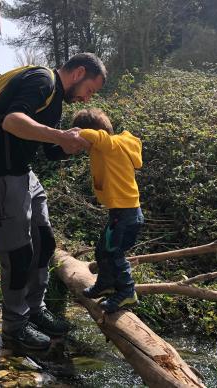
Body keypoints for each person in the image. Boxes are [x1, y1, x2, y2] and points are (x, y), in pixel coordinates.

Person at [0, 53, 107, 350]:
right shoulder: (43, 81)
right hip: (0, 174)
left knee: (44, 241)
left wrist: (70, 146)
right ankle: (14, 327)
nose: (87, 99)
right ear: (79, 72)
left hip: (23, 173)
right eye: (90, 90)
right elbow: (12, 121)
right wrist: (60, 134)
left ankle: (35, 309)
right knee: (18, 253)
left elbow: (47, 150)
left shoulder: (55, 99)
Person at [72, 108, 144, 313]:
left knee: (114, 253)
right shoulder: (109, 148)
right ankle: (106, 284)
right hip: (121, 213)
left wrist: (76, 132)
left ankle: (128, 292)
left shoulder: (111, 145)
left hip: (126, 214)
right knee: (103, 251)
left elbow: (98, 136)